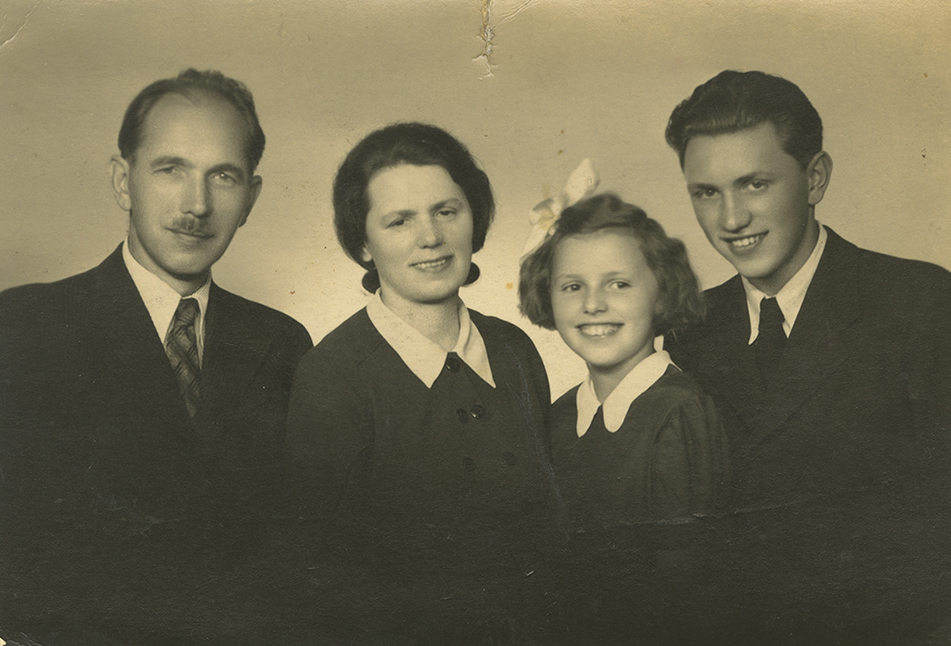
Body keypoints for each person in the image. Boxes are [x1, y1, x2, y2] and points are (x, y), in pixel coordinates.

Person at [0, 69, 313, 644]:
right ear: (123, 181)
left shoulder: (283, 344)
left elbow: (292, 556)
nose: (196, 205)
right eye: (171, 169)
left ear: (251, 198)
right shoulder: (22, 328)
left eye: (223, 176)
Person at [664, 70, 951, 643]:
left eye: (754, 184)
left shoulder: (922, 304)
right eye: (707, 192)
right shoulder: (687, 328)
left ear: (815, 178)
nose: (730, 220)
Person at [285, 122, 567, 645]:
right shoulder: (332, 376)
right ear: (364, 243)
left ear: (473, 218)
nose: (431, 238)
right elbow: (324, 585)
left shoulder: (514, 350)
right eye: (399, 221)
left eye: (446, 211)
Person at [519, 190, 728, 643]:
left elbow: (684, 587)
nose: (593, 304)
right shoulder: (557, 418)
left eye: (619, 284)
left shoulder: (677, 409)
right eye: (573, 286)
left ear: (662, 292)